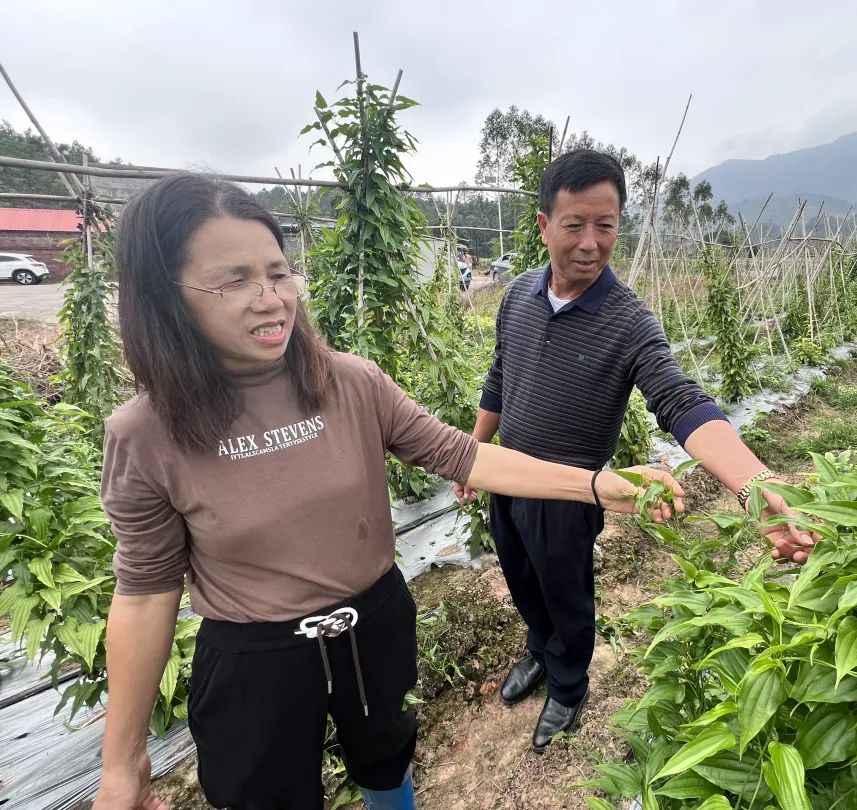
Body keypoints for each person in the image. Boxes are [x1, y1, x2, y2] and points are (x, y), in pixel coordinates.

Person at [92, 173, 684, 810]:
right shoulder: (146, 434)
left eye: (278, 272)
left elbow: (462, 454)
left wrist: (597, 485)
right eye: (233, 279)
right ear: (165, 296)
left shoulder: (348, 383)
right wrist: (123, 762)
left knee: (386, 762)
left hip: (371, 626)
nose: (270, 299)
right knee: (266, 793)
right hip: (255, 659)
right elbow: (147, 592)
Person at [454, 149, 817, 754]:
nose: (592, 243)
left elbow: (680, 400)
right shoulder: (517, 297)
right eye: (575, 226)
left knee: (566, 592)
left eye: (607, 225)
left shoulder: (629, 321)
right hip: (507, 476)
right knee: (520, 579)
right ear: (543, 225)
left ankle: (568, 687)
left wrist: (753, 484)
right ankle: (538, 653)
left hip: (571, 496)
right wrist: (475, 453)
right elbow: (498, 378)